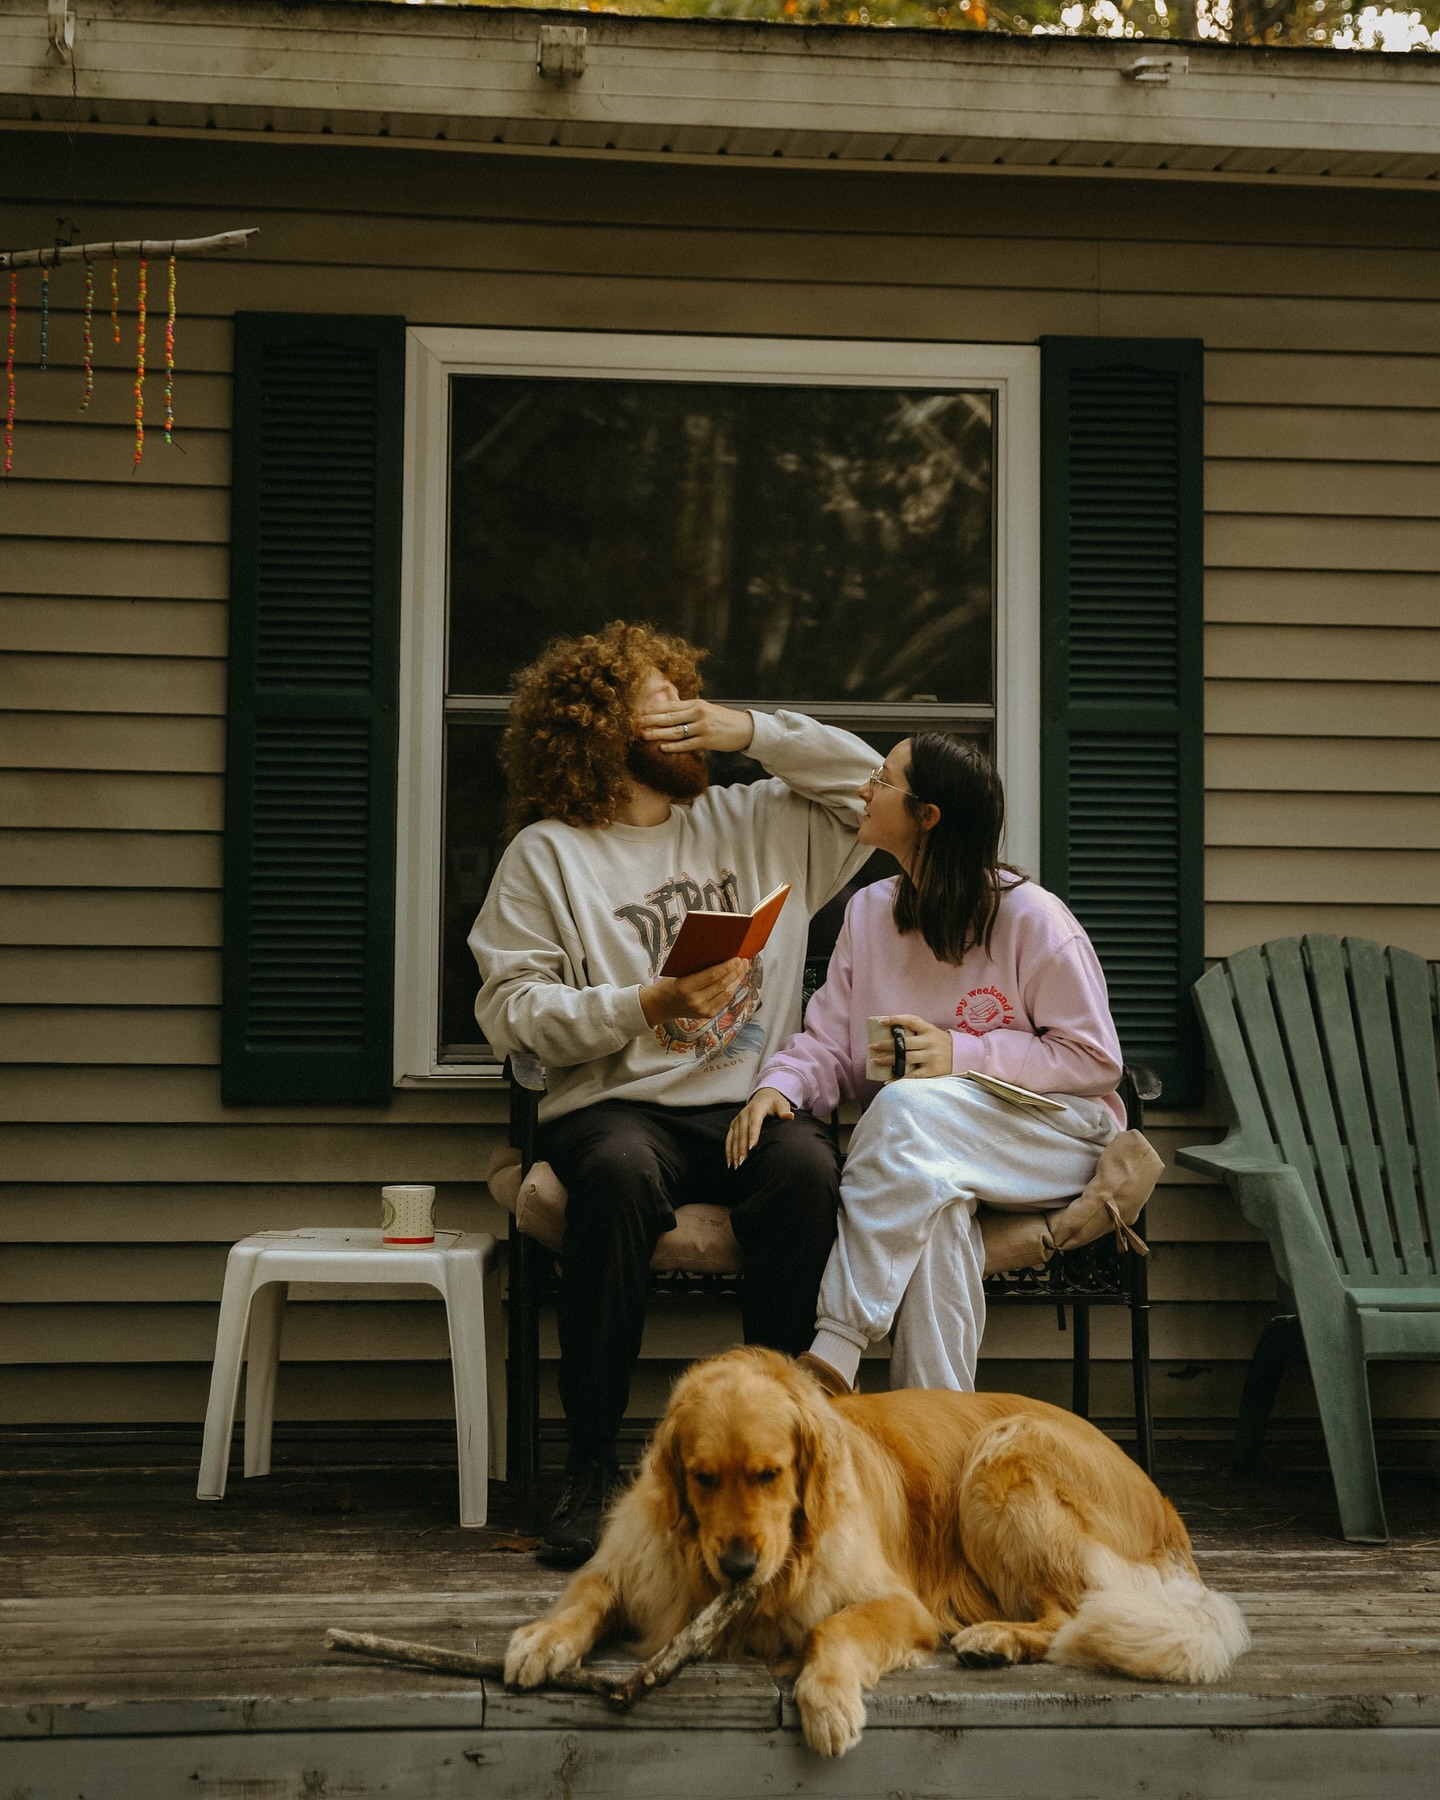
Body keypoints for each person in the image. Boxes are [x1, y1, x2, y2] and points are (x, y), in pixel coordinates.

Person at [470, 621, 875, 1564]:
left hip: (747, 1103)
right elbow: (511, 1008)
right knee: (611, 1174)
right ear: (599, 732)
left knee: (810, 1170)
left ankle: (780, 1452)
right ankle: (592, 1464)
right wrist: (643, 1004)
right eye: (667, 712)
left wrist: (749, 731)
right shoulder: (548, 855)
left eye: (693, 706)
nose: (688, 726)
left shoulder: (753, 819)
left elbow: (872, 788)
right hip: (615, 1108)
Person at [727, 733, 1125, 1396]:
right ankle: (935, 1441)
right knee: (936, 1219)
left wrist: (960, 1053)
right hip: (926, 1156)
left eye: (881, 780)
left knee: (905, 1103)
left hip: (1054, 1138)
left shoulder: (1033, 918)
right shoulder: (869, 913)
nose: (863, 790)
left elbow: (1095, 1060)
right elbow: (834, 1048)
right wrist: (780, 1086)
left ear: (927, 816)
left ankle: (839, 1342)